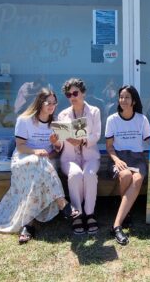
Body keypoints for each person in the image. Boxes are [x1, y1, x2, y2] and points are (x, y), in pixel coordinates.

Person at [0, 88, 74, 244]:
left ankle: (28, 225)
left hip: (46, 161)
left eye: (54, 103)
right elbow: (20, 146)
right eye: (48, 103)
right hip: (24, 158)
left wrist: (56, 143)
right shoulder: (24, 120)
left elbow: (59, 149)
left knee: (40, 166)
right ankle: (62, 202)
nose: (52, 106)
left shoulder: (56, 122)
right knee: (37, 162)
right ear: (40, 102)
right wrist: (36, 151)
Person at [51, 78, 101, 235]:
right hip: (69, 158)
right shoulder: (63, 114)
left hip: (90, 156)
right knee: (75, 174)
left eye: (75, 93)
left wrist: (82, 141)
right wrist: (55, 142)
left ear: (83, 93)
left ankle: (90, 213)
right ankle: (77, 214)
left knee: (89, 174)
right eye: (68, 94)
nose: (72, 96)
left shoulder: (94, 111)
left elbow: (97, 135)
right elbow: (60, 144)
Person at [105, 85, 150, 245]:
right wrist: (116, 160)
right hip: (119, 156)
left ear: (134, 101)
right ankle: (126, 213)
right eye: (121, 97)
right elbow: (109, 146)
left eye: (127, 97)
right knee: (125, 175)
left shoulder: (142, 119)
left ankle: (116, 224)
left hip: (137, 158)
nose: (123, 100)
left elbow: (149, 140)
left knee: (136, 179)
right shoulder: (112, 119)